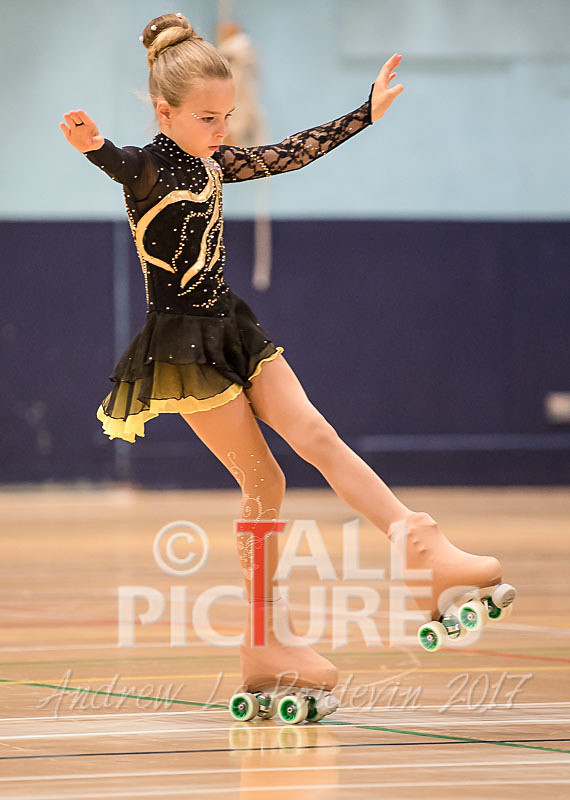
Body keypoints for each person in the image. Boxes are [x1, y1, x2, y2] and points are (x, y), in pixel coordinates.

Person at [60, 12, 515, 724]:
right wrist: (92, 146)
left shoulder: (213, 162)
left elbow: (289, 154)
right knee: (264, 481)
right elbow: (119, 161)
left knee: (316, 434)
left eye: (227, 116)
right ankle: (264, 642)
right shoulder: (148, 165)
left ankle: (421, 548)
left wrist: (364, 113)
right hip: (185, 350)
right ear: (164, 111)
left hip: (231, 326)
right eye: (208, 117)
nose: (221, 130)